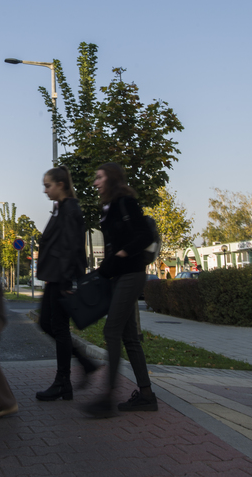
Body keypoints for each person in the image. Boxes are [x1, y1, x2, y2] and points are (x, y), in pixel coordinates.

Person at [84, 163, 155, 418]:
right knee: (129, 337)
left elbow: (144, 235)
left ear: (111, 179)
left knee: (111, 330)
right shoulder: (108, 207)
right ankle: (146, 395)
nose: (95, 182)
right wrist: (102, 270)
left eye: (99, 177)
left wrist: (124, 253)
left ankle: (107, 396)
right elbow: (113, 246)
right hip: (117, 274)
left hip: (131, 274)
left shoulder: (125, 202)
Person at [35, 165, 96, 401]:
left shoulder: (70, 209)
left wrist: (69, 280)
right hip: (55, 277)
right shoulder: (60, 209)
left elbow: (73, 247)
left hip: (61, 278)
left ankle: (63, 381)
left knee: (56, 327)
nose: (44, 190)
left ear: (61, 185)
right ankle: (80, 367)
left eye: (48, 185)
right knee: (48, 324)